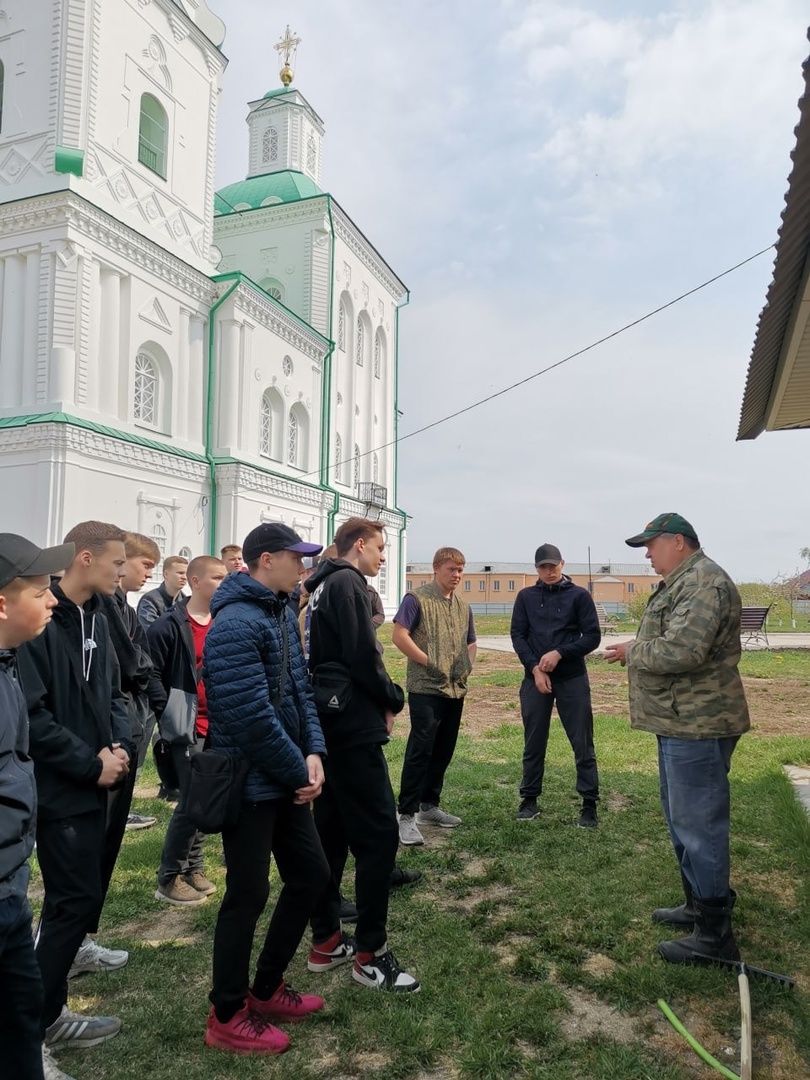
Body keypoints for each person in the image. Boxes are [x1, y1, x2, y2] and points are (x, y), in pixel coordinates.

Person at [203, 523, 330, 1055]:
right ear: (265, 560)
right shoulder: (235, 623)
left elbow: (300, 690)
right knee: (247, 894)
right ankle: (227, 1012)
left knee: (310, 877)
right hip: (253, 786)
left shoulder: (278, 612)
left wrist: (314, 751)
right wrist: (296, 771)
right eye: (295, 558)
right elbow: (250, 717)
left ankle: (267, 987)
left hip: (284, 779)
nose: (303, 568)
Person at [605, 513, 750, 964]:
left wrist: (634, 651)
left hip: (698, 723)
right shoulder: (684, 581)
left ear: (679, 543)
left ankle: (714, 937)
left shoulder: (704, 582)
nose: (647, 554)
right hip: (678, 720)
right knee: (682, 820)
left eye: (652, 545)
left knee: (700, 826)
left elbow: (684, 650)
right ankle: (697, 905)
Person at [17, 522, 132, 1053]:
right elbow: (34, 717)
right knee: (73, 900)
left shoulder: (99, 615)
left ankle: (49, 1013)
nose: (123, 572)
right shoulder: (39, 619)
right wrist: (89, 764)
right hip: (62, 782)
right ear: (85, 558)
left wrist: (121, 746)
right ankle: (37, 1029)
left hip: (97, 776)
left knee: (77, 898)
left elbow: (112, 689)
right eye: (116, 563)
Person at [307, 517, 418, 992]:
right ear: (357, 546)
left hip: (329, 723)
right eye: (380, 547)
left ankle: (326, 938)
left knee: (330, 833)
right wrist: (393, 697)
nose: (383, 556)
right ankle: (370, 954)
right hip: (351, 729)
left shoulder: (317, 587)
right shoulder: (347, 583)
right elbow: (361, 655)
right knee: (377, 836)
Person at [0, 534, 73, 1080]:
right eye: (40, 591)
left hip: (12, 886)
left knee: (22, 1015)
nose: (52, 601)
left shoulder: (10, 663)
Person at [149, 556, 226, 906]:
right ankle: (169, 876)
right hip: (187, 726)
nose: (224, 583)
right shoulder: (169, 625)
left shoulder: (224, 621)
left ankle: (193, 867)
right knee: (191, 802)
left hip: (219, 723)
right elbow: (149, 674)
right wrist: (168, 710)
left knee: (205, 798)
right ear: (195, 581)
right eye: (217, 577)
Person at [510, 543, 601, 826]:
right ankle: (529, 799)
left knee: (582, 742)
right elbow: (518, 635)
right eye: (543, 567)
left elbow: (592, 636)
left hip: (572, 678)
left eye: (553, 565)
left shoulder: (579, 596)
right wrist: (535, 667)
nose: (548, 571)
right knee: (533, 741)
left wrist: (560, 653)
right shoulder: (525, 597)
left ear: (562, 564)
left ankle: (589, 805)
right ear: (536, 568)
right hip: (535, 679)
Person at [393, 547, 476, 846]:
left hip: (455, 689)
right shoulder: (417, 600)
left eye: (460, 570)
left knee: (444, 748)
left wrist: (466, 667)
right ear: (436, 568)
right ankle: (406, 814)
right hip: (426, 688)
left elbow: (470, 642)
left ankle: (429, 806)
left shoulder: (463, 606)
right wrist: (428, 661)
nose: (456, 575)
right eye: (451, 569)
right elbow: (399, 635)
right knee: (421, 749)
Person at [136, 555, 188, 630]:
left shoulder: (186, 602)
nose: (184, 577)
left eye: (186, 574)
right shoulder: (149, 600)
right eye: (180, 573)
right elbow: (152, 633)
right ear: (166, 574)